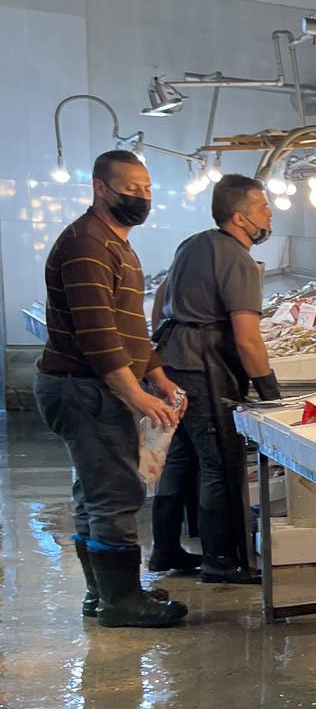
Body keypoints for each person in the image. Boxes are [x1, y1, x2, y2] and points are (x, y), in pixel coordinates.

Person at [34, 149, 189, 628]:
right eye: (130, 188)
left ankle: (102, 594)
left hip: (92, 385)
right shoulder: (87, 245)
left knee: (94, 492)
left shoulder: (116, 242)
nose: (141, 197)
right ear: (101, 188)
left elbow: (130, 328)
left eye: (146, 189)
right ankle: (121, 602)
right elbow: (98, 335)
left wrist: (156, 372)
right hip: (84, 388)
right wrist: (134, 393)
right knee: (115, 494)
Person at [150, 174, 282, 583]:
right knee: (219, 463)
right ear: (241, 218)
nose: (270, 214)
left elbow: (159, 301)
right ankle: (221, 561)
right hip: (204, 367)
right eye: (263, 208)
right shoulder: (238, 259)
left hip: (173, 357)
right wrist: (271, 394)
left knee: (181, 457)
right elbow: (247, 340)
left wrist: (161, 361)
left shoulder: (193, 243)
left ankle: (166, 550)